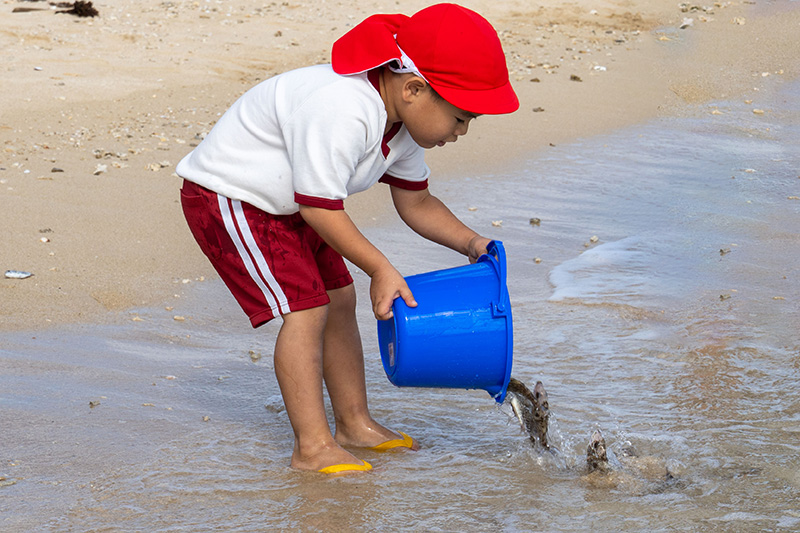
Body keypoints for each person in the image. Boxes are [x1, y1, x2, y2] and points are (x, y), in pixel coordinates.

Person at [176, 3, 519, 474]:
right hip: (233, 198)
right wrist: (381, 267)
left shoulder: (402, 125)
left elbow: (416, 202)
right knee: (306, 309)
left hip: (295, 206)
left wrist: (471, 244)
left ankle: (354, 423)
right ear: (414, 89)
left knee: (339, 297)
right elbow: (319, 205)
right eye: (460, 118)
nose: (460, 133)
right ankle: (311, 447)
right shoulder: (344, 107)